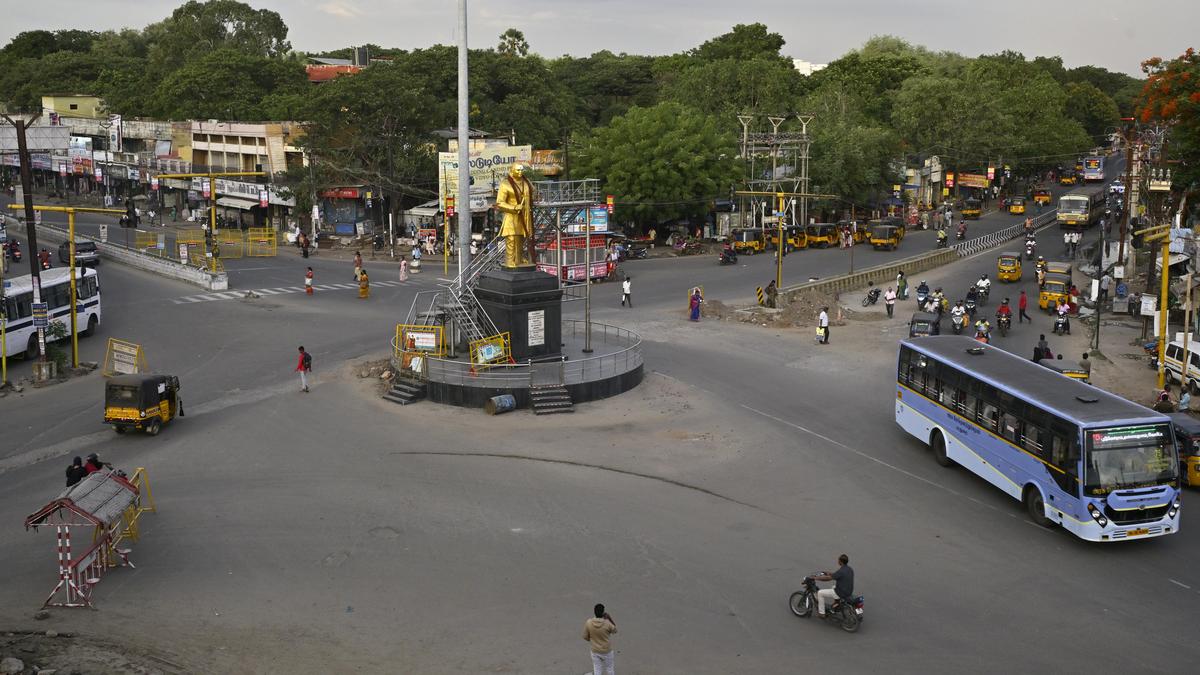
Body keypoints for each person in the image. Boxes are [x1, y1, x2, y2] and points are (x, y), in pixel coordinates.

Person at [812, 554, 854, 619]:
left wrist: (816, 578)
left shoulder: (841, 571)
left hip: (840, 592)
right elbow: (836, 575)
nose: (838, 561)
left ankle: (822, 613)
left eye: (838, 560)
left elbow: (828, 579)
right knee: (833, 586)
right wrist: (828, 573)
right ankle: (836, 603)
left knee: (820, 593)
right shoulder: (849, 569)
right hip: (848, 591)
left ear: (840, 562)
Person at [583, 603, 617, 675]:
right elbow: (615, 630)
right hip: (607, 650)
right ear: (603, 613)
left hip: (595, 650)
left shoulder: (589, 622)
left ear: (594, 612)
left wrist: (593, 640)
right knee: (610, 668)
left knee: (597, 669)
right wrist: (609, 618)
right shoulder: (607, 623)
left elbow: (585, 637)